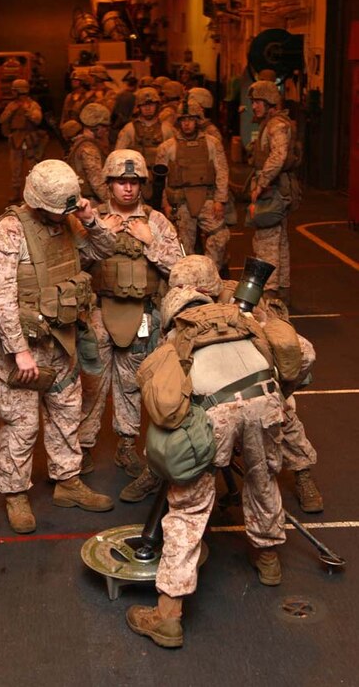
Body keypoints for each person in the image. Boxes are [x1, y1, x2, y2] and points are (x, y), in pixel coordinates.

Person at [126, 255, 288, 648]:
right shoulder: (240, 318)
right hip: (266, 398)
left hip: (218, 411)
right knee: (261, 478)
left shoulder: (173, 337)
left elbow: (165, 408)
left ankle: (167, 616)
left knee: (189, 507)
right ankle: (268, 561)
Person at [0, 160, 116, 535]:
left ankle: (67, 480)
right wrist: (18, 350)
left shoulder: (70, 220)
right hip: (27, 345)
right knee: (20, 424)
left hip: (65, 339)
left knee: (67, 413)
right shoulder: (11, 230)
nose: (65, 215)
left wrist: (90, 218)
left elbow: (105, 249)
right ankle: (15, 493)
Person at [180, 256, 323, 513]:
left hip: (252, 374)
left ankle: (302, 473)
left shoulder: (239, 297)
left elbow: (300, 352)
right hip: (213, 383)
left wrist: (279, 392)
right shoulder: (182, 305)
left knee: (283, 413)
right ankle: (159, 473)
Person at [78, 149, 183, 495]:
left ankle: (126, 445)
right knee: (92, 383)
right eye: (121, 182)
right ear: (108, 184)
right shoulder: (90, 218)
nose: (127, 188)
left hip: (141, 313)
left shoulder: (156, 222)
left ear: (141, 185)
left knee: (131, 383)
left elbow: (181, 270)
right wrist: (97, 233)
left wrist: (151, 243)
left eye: (133, 182)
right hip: (97, 311)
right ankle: (83, 447)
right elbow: (71, 262)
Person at [155, 96, 230, 270]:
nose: (187, 124)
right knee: (183, 248)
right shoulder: (167, 147)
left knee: (220, 236)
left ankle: (210, 271)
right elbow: (161, 180)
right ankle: (189, 282)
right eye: (183, 120)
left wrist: (220, 200)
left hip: (207, 200)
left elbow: (222, 171)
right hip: (180, 203)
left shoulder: (213, 144)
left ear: (198, 121)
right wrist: (164, 204)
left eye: (191, 119)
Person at [247, 80, 300, 305]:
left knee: (266, 243)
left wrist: (261, 184)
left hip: (273, 191)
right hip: (276, 189)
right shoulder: (270, 124)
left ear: (269, 102)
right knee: (279, 242)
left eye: (258, 102)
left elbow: (278, 156)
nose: (254, 107)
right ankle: (281, 291)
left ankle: (269, 295)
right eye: (253, 102)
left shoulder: (276, 125)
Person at [115, 87, 175, 202]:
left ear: (157, 106)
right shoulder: (129, 129)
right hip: (136, 181)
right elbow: (118, 157)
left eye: (151, 104)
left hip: (161, 182)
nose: (147, 108)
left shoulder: (167, 129)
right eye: (143, 105)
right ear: (139, 107)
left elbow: (174, 159)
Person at [0, 78, 43, 202]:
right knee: (15, 168)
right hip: (16, 138)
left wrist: (27, 111)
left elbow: (37, 119)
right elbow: (2, 119)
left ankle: (32, 193)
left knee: (31, 167)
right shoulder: (11, 105)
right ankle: (16, 191)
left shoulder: (32, 105)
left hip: (29, 138)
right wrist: (11, 111)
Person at [65, 103, 111, 206]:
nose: (106, 131)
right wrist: (113, 203)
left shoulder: (79, 142)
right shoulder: (89, 149)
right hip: (90, 203)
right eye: (104, 127)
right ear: (97, 128)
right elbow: (97, 183)